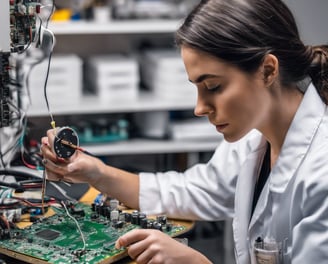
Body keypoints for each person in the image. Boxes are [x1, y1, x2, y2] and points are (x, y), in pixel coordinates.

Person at [41, 0, 328, 263]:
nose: (199, 108)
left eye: (213, 87)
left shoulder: (321, 174)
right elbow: (193, 191)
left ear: (267, 70)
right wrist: (97, 173)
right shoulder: (255, 137)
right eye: (197, 87)